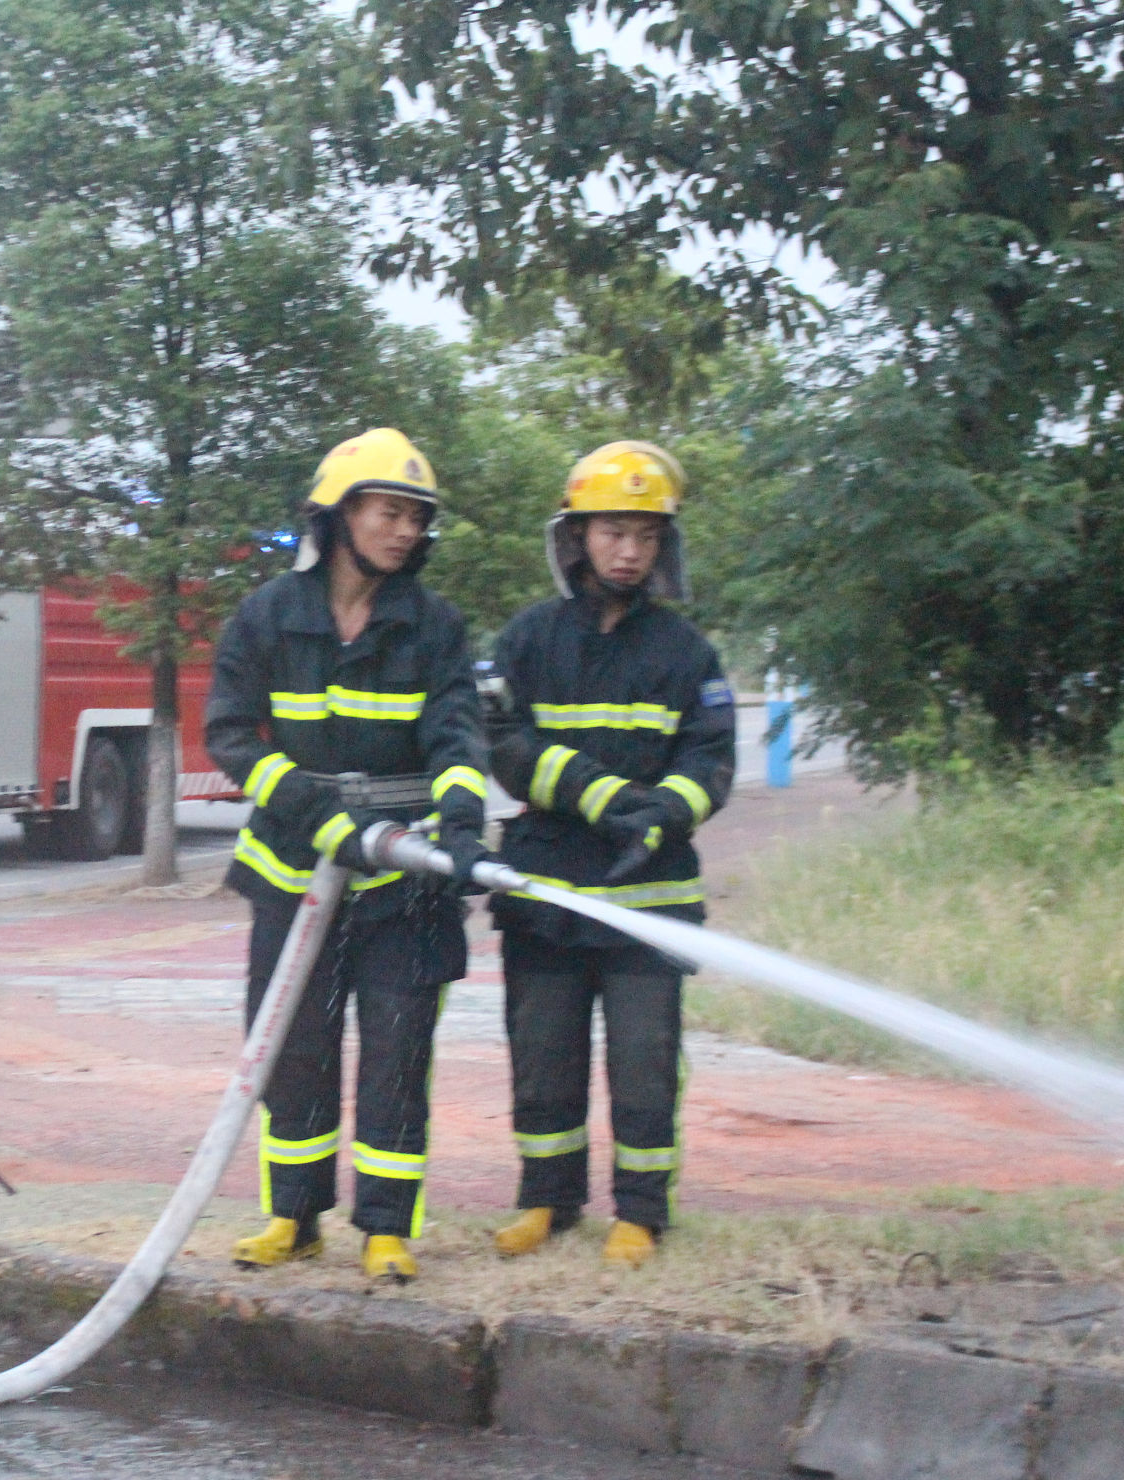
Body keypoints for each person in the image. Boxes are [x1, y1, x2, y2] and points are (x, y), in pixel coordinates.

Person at [204, 428, 491, 1285]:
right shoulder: (266, 615)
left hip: (402, 885)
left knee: (399, 1049)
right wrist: (315, 810)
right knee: (294, 1050)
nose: (404, 531)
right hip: (292, 869)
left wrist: (464, 822)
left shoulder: (432, 626)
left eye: (415, 518)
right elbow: (229, 735)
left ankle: (385, 1228)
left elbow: (454, 734)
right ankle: (292, 1218)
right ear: (338, 515)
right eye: (388, 512)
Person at [484, 441, 735, 1267]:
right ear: (576, 537)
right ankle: (545, 1202)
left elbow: (712, 760)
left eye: (646, 535)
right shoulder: (525, 639)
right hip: (547, 896)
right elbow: (503, 741)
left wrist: (661, 815)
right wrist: (596, 795)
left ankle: (640, 1212)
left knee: (643, 1064)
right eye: (613, 532)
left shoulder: (687, 654)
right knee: (542, 1059)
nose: (629, 551)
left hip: (649, 899)